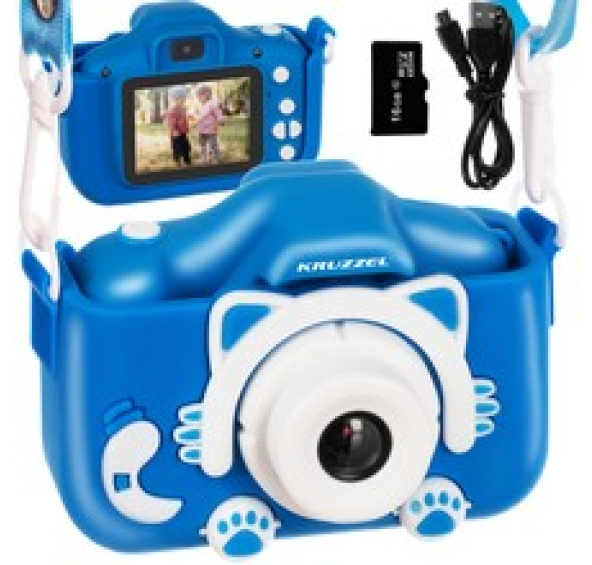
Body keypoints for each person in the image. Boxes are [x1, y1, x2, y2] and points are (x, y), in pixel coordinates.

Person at [196, 85, 226, 164]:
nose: (198, 98)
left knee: (213, 145)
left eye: (200, 96)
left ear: (207, 95)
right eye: (198, 96)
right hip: (201, 129)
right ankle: (203, 158)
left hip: (210, 129)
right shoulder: (201, 106)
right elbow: (200, 117)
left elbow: (218, 114)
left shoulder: (212, 105)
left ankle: (216, 158)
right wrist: (196, 120)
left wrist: (221, 121)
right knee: (202, 145)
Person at [163, 86, 192, 167]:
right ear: (175, 99)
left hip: (182, 132)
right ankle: (177, 161)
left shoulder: (183, 108)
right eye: (181, 99)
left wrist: (188, 118)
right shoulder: (173, 110)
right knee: (177, 148)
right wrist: (174, 130)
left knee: (186, 147)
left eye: (184, 99)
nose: (183, 101)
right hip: (175, 133)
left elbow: (183, 118)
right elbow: (171, 122)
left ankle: (187, 160)